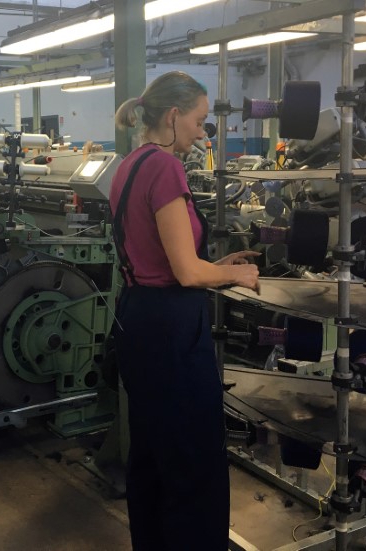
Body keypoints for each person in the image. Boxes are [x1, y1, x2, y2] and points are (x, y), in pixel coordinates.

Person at [109, 71, 260, 550]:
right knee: (194, 464)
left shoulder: (128, 164)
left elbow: (169, 261)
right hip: (172, 330)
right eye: (198, 121)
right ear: (173, 117)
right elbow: (187, 276)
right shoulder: (165, 167)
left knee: (153, 454)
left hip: (138, 318)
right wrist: (235, 275)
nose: (202, 132)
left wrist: (214, 264)